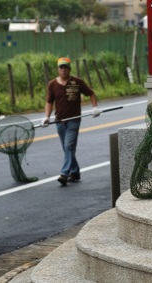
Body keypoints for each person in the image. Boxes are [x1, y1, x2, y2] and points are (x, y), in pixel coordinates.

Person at [41, 57, 101, 186]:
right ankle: (75, 172)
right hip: (59, 121)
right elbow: (49, 102)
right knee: (67, 149)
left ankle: (64, 173)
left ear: (70, 69)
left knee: (68, 146)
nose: (63, 70)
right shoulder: (52, 84)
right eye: (61, 67)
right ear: (58, 69)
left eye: (65, 68)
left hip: (73, 120)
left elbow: (91, 93)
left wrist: (95, 107)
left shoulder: (77, 82)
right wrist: (47, 117)